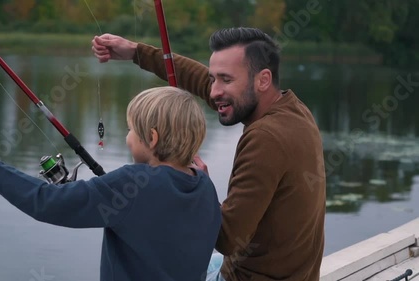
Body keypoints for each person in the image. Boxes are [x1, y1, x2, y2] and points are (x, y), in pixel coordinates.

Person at [91, 27, 326, 281]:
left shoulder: (265, 139)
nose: (214, 92)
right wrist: (137, 52)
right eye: (215, 79)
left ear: (263, 80)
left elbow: (226, 239)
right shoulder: (293, 109)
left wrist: (200, 189)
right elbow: (202, 81)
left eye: (226, 80)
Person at [0, 86, 221, 281]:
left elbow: (48, 203)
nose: (128, 137)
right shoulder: (205, 187)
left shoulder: (133, 184)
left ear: (151, 138)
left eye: (130, 130)